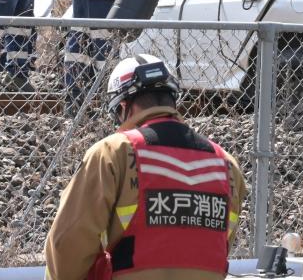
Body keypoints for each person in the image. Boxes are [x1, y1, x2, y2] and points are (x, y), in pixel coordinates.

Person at [45, 53, 247, 280]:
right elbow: (222, 240)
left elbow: (68, 243)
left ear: (123, 107)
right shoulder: (226, 164)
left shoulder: (114, 152)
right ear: (172, 99)